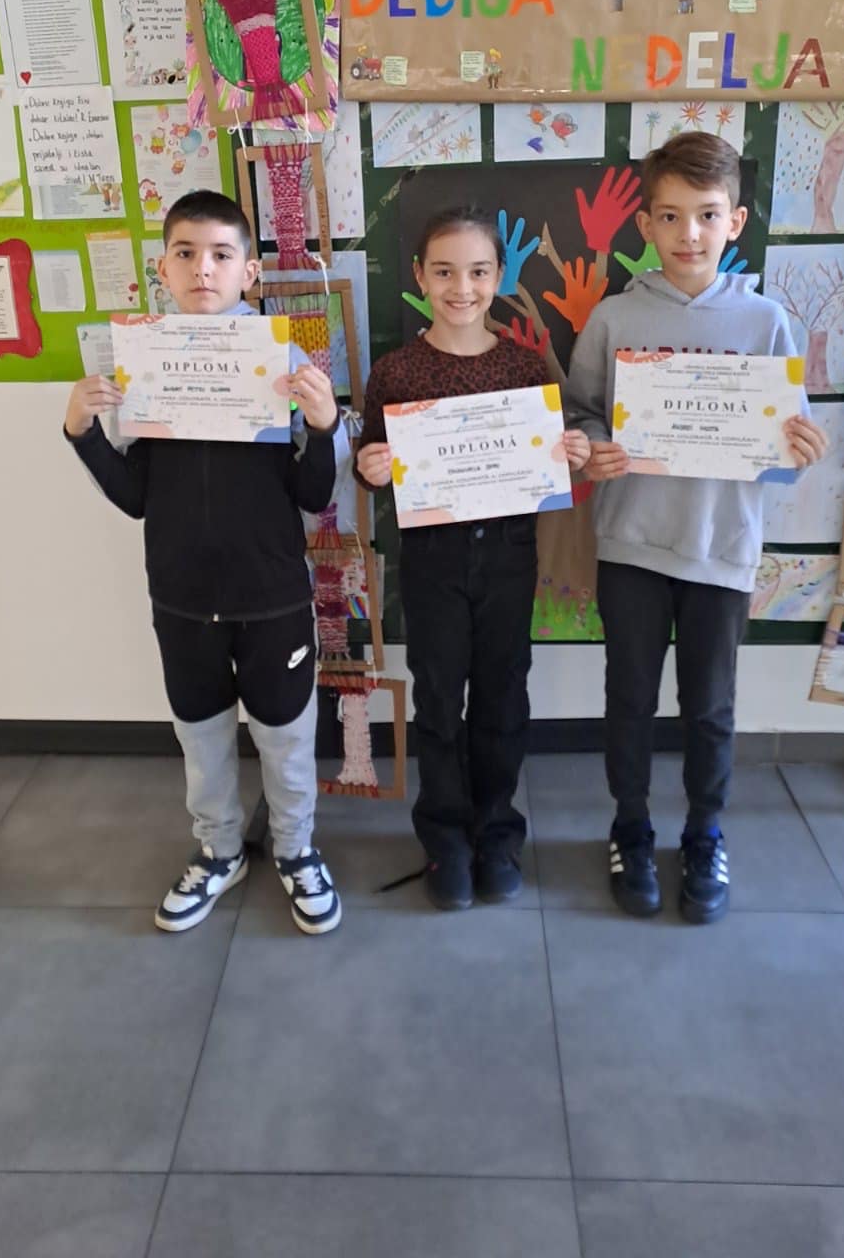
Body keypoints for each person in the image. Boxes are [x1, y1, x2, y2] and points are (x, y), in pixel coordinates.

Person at [63, 190, 346, 936]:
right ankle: (220, 850)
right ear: (162, 268)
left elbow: (314, 493)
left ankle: (296, 849)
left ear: (249, 271)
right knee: (200, 732)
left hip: (271, 594)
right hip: (183, 596)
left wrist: (324, 428)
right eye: (185, 254)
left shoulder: (281, 360)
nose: (203, 269)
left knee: (285, 734)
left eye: (221, 254)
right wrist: (82, 432)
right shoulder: (145, 364)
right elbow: (135, 498)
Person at [565, 133, 827, 924]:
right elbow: (581, 413)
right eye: (672, 216)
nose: (689, 234)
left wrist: (798, 449)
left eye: (708, 215)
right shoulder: (614, 318)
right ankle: (631, 827)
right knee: (629, 700)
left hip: (722, 548)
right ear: (645, 223)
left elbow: (784, 444)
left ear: (735, 221)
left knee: (710, 706)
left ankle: (705, 833)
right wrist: (592, 447)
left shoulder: (767, 322)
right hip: (632, 544)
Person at [356, 206, 590, 910]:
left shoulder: (523, 365)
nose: (462, 288)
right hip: (431, 557)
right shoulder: (396, 371)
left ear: (499, 277)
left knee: (502, 697)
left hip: (509, 556)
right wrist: (371, 467)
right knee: (436, 700)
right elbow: (373, 464)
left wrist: (571, 451)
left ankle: (497, 833)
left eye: (479, 272)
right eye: (445, 272)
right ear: (420, 276)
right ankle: (445, 839)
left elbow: (546, 459)